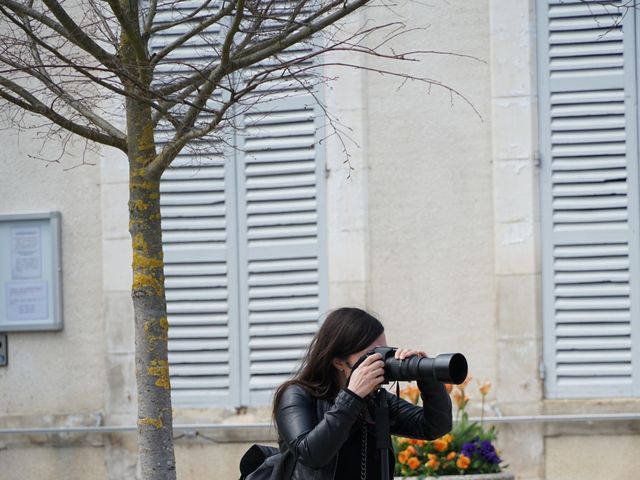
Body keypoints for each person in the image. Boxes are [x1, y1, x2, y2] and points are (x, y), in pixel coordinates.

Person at [271, 307, 453, 480]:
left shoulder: (376, 401)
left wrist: (427, 377)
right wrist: (352, 397)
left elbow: (434, 427)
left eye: (384, 352)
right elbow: (311, 455)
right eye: (370, 355)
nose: (380, 362)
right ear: (339, 363)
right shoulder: (296, 395)